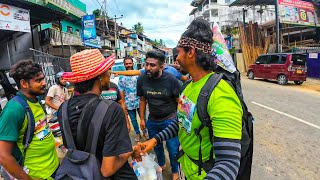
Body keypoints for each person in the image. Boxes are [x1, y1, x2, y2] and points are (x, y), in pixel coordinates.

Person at [140, 19, 243, 179]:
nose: (177, 58)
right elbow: (183, 121)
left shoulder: (221, 94)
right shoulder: (188, 87)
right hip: (187, 168)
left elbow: (228, 164)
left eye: (179, 52)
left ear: (191, 52)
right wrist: (155, 140)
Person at [58, 49, 141, 179]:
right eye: (107, 71)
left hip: (80, 174)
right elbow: (107, 170)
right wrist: (132, 150)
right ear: (100, 78)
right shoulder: (112, 110)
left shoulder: (63, 109)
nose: (110, 74)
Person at [0, 60, 59, 179]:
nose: (44, 83)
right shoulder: (14, 109)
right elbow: (3, 156)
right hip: (36, 175)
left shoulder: (36, 100)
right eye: (38, 80)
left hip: (53, 168)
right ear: (24, 84)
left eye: (43, 78)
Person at [137, 50, 181, 180]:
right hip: (152, 121)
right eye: (146, 64)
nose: (148, 68)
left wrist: (179, 121)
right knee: (156, 146)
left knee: (173, 150)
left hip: (170, 120)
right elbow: (142, 100)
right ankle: (161, 164)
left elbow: (179, 102)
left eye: (152, 65)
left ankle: (175, 170)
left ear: (162, 66)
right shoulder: (142, 79)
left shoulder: (172, 80)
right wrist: (142, 119)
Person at [118, 57, 142, 142]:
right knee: (133, 120)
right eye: (126, 64)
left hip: (140, 101)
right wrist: (123, 103)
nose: (128, 65)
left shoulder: (138, 75)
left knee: (143, 118)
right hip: (129, 102)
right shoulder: (121, 77)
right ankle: (138, 133)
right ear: (124, 65)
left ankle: (145, 131)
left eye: (130, 63)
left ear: (133, 64)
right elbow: (121, 91)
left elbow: (143, 87)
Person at [113, 61, 189, 82]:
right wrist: (118, 72)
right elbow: (134, 72)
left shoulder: (171, 71)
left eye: (152, 64)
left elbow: (184, 79)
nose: (149, 67)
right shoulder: (149, 70)